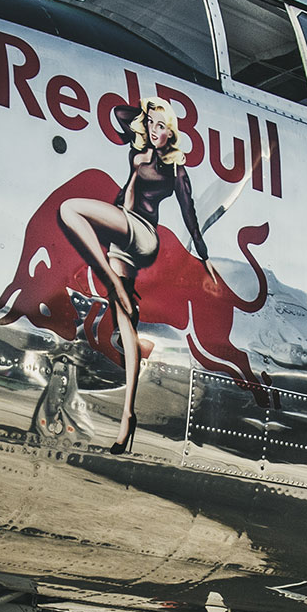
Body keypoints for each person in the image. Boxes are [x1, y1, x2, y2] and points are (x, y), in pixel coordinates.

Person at [56, 98, 212, 453]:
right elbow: (120, 115)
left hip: (140, 232)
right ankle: (128, 417)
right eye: (153, 125)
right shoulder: (137, 151)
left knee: (71, 210)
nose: (157, 132)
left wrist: (203, 254)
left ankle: (112, 283)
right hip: (119, 243)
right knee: (126, 323)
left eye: (164, 128)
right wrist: (147, 113)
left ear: (172, 134)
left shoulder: (174, 170)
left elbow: (189, 214)